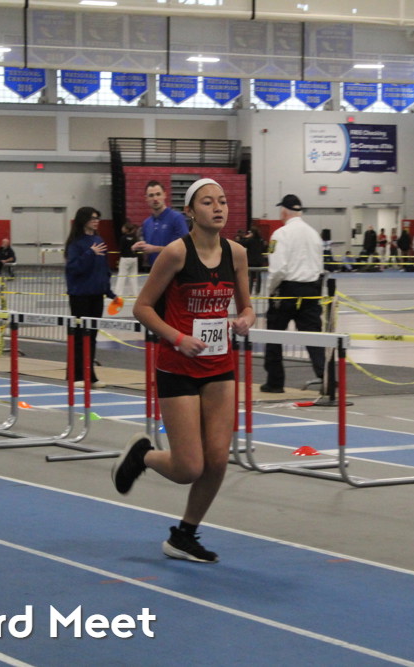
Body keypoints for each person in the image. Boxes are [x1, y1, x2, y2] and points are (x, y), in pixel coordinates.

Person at [114, 177, 255, 563]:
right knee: (189, 467)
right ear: (191, 211)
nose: (218, 207)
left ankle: (184, 536)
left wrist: (245, 319)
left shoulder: (237, 254)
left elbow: (246, 306)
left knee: (218, 460)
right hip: (178, 365)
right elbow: (142, 307)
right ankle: (143, 455)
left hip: (219, 366)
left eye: (222, 201)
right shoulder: (176, 253)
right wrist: (177, 337)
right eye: (208, 202)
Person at [261, 194, 325, 393]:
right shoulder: (314, 234)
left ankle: (275, 382)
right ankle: (326, 378)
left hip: (286, 291)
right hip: (311, 290)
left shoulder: (280, 234)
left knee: (274, 337)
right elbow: (319, 266)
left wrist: (271, 290)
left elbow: (278, 269)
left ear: (283, 211)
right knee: (314, 338)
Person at [65, 207, 116, 387]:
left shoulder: (99, 240)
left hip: (96, 296)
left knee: (92, 336)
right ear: (83, 220)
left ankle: (89, 375)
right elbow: (73, 268)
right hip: (80, 296)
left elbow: (103, 269)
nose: (96, 221)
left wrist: (110, 292)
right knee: (80, 336)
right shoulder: (76, 244)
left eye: (97, 218)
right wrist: (89, 253)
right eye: (93, 218)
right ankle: (76, 375)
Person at [133, 180, 189, 269]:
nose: (155, 198)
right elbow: (147, 251)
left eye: (158, 194)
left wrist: (155, 249)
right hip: (154, 272)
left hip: (176, 272)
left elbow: (186, 248)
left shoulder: (177, 218)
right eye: (151, 195)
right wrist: (138, 249)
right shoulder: (146, 223)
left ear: (164, 195)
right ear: (146, 198)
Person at [114, 221, 140, 300]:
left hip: (125, 258)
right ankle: (134, 293)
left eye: (123, 227)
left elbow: (121, 249)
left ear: (126, 229)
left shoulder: (123, 238)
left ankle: (118, 293)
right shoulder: (135, 238)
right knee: (133, 276)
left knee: (122, 275)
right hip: (134, 258)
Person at [242, 224, 266, 294]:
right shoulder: (261, 240)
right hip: (259, 261)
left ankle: (250, 290)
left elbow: (242, 243)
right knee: (259, 276)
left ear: (252, 233)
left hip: (251, 261)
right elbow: (264, 248)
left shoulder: (250, 240)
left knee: (251, 276)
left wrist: (245, 237)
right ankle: (257, 290)